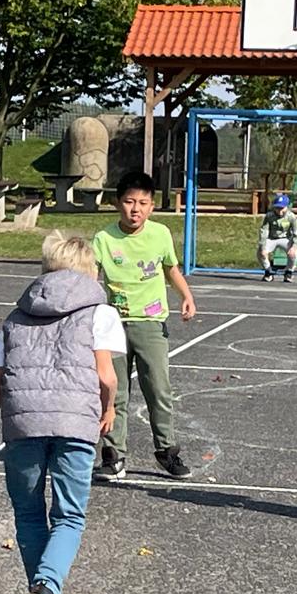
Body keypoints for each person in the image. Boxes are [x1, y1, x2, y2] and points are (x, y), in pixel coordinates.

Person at [0, 231, 122, 594]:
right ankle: (45, 591)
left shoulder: (14, 317)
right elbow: (106, 377)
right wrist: (108, 408)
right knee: (69, 516)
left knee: (28, 514)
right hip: (75, 422)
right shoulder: (100, 312)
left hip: (23, 425)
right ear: (90, 270)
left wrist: (24, 409)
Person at [91, 169, 197, 481]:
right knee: (114, 391)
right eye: (128, 202)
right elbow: (91, 278)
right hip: (113, 325)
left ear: (151, 207)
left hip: (151, 323)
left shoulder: (160, 234)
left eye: (142, 203)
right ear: (117, 203)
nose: (135, 209)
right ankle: (113, 454)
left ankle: (166, 450)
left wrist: (186, 296)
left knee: (159, 390)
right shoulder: (104, 239)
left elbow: (171, 269)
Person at [257, 193, 297, 282]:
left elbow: (296, 232)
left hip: (285, 239)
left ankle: (289, 272)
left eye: (282, 208)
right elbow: (264, 231)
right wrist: (262, 246)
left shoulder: (291, 217)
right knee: (261, 253)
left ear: (286, 207)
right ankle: (268, 271)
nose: (279, 211)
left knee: (294, 253)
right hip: (271, 238)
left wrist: (294, 245)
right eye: (277, 208)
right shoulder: (269, 216)